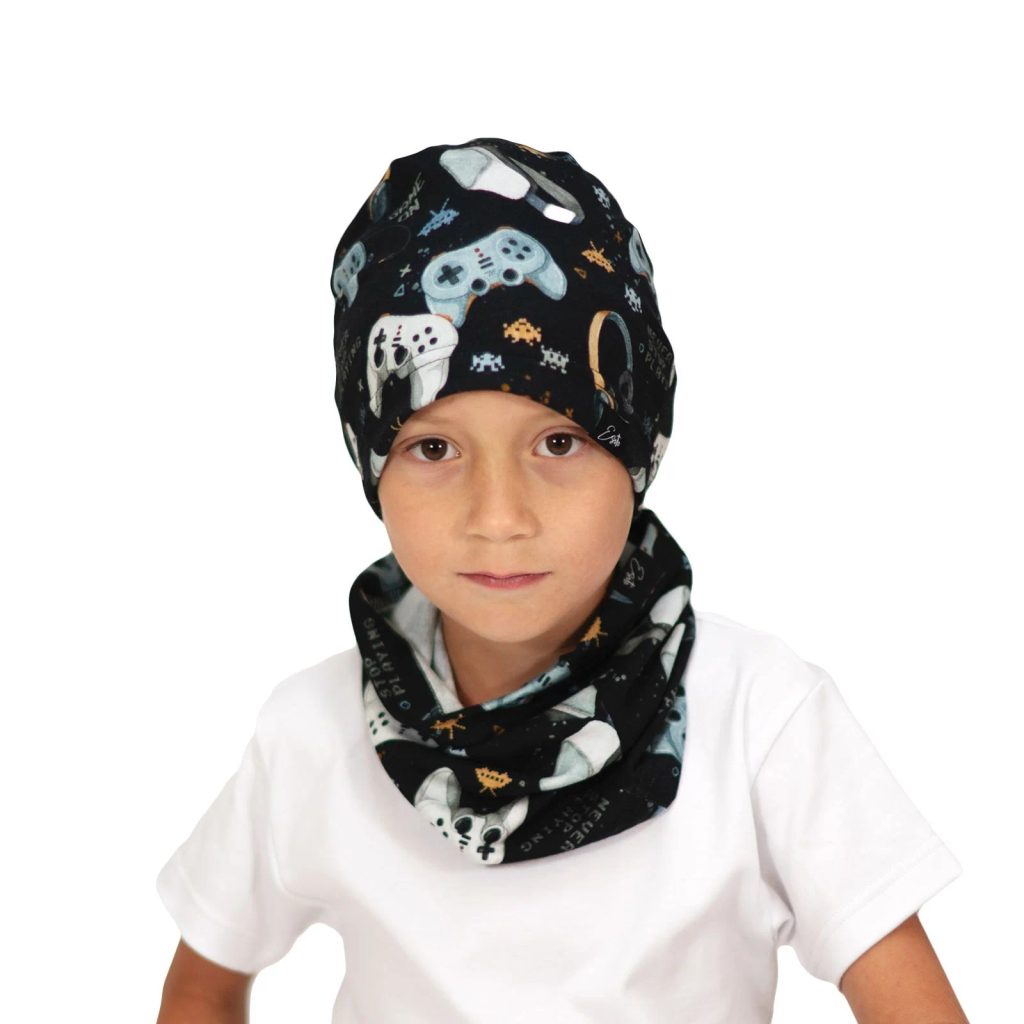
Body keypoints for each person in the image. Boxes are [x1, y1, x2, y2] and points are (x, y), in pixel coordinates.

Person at [155, 137, 969, 1023]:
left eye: (559, 441)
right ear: (369, 460)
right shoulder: (309, 731)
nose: (499, 516)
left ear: (638, 445)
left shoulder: (761, 717)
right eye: (433, 447)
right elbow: (204, 987)